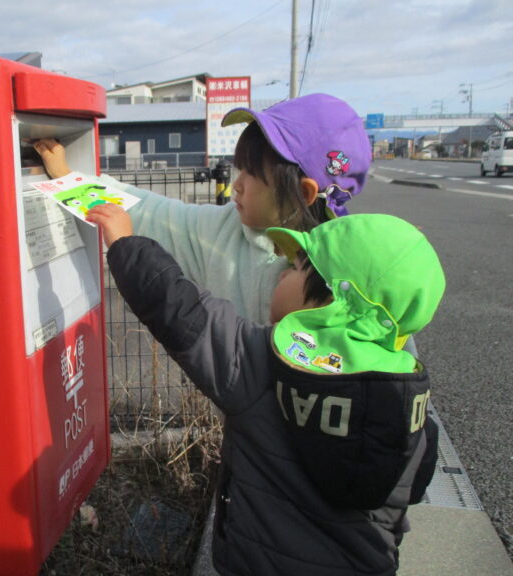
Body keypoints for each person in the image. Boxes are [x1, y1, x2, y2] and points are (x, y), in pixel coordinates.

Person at [86, 204, 445, 576]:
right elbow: (414, 486)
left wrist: (126, 243)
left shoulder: (265, 364)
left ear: (332, 301)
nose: (281, 274)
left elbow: (183, 312)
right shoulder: (407, 398)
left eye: (297, 267)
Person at [34, 93, 372, 325]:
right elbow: (151, 212)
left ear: (303, 192)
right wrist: (69, 180)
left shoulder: (353, 268)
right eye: (238, 168)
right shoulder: (223, 230)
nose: (237, 183)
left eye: (252, 174)